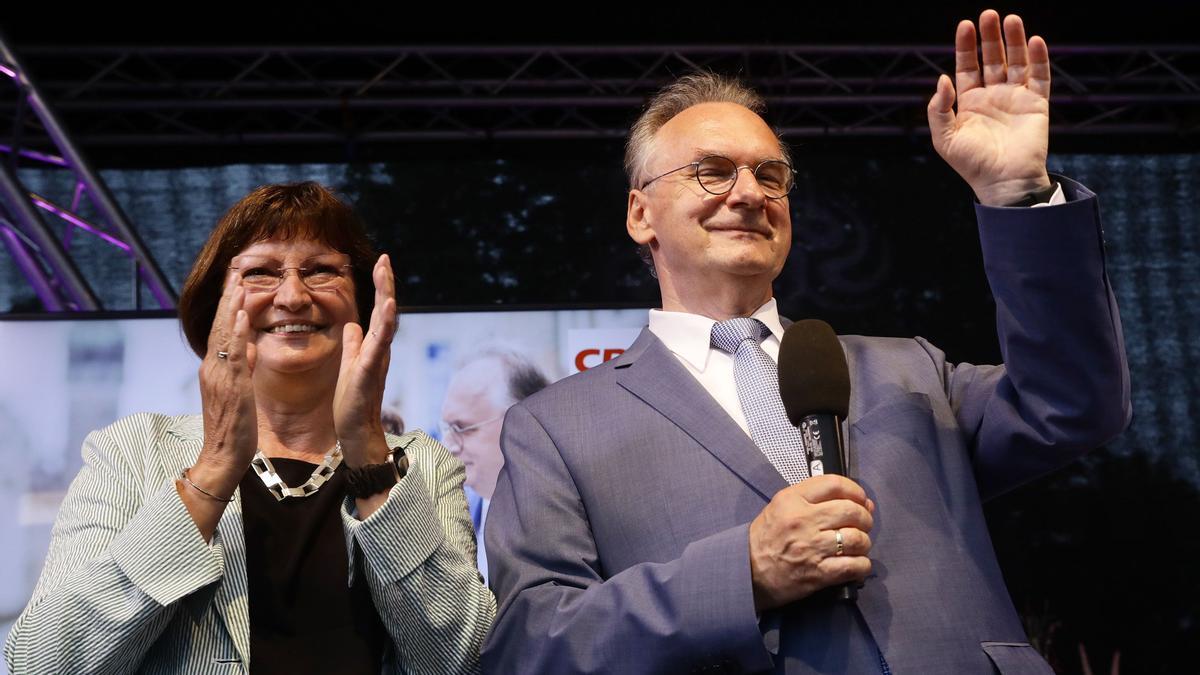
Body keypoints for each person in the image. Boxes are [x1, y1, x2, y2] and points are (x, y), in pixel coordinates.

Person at [482, 10, 1130, 675]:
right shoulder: (554, 427)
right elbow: (531, 644)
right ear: (640, 213)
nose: (748, 193)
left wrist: (1017, 193)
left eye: (770, 175)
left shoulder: (910, 366)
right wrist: (744, 573)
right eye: (711, 171)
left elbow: (1075, 403)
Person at [4, 183, 495, 674]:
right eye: (260, 273)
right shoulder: (133, 453)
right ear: (216, 304)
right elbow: (43, 663)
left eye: (321, 270)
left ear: (363, 304)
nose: (293, 296)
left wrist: (368, 454)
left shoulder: (422, 465)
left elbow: (463, 661)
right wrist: (214, 467)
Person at [439, 346, 549, 584]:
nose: (448, 446)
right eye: (447, 428)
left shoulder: (566, 520)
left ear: (523, 421)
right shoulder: (454, 516)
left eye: (461, 427)